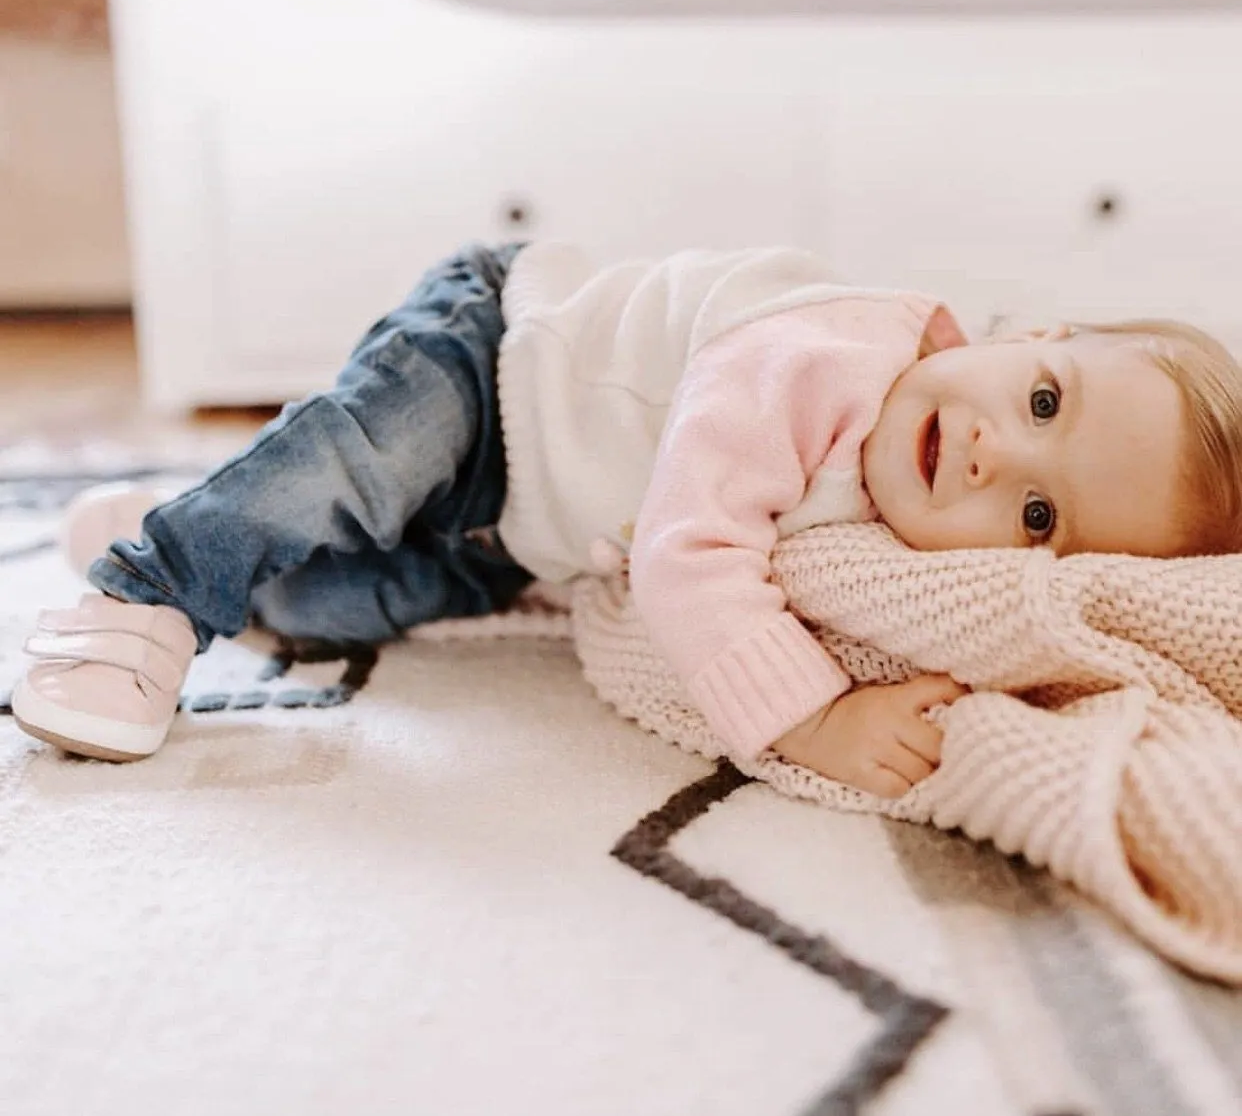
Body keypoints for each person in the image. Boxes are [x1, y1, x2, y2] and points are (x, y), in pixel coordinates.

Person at [13, 242, 1242, 797]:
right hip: (493, 360)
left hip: (527, 530)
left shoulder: (896, 516)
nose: (992, 450)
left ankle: (194, 532)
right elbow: (692, 551)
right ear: (1032, 335)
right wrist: (810, 716)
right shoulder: (830, 349)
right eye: (1040, 400)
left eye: (1037, 511)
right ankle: (150, 587)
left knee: (352, 598)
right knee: (355, 471)